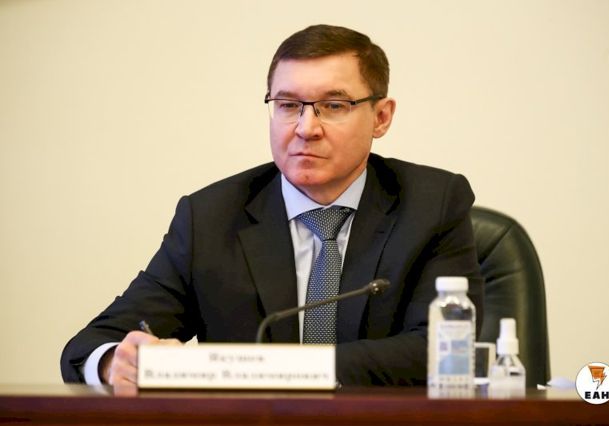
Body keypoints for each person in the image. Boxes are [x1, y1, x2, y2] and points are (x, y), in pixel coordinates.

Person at [61, 24, 484, 387]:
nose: (306, 128)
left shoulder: (432, 204)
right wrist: (115, 362)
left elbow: (443, 350)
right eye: (288, 106)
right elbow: (88, 347)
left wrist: (284, 370)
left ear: (381, 117)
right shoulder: (210, 218)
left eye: (333, 106)